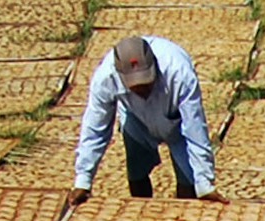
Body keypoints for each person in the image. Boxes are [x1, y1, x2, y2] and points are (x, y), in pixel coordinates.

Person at [69, 34, 220, 202]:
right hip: (136, 119)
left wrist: (205, 183)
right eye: (135, 87)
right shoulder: (105, 79)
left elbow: (195, 128)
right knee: (136, 173)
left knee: (189, 186)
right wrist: (83, 181)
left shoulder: (179, 73)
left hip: (177, 124)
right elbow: (95, 130)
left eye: (146, 83)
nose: (143, 91)